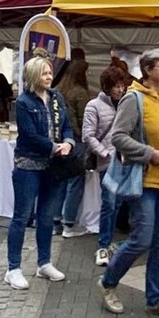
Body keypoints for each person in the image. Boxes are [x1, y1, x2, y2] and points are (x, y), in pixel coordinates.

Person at [96, 48, 159, 318]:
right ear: (147, 71)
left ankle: (154, 298)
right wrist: (150, 154)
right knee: (141, 240)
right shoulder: (133, 99)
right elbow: (118, 137)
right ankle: (108, 282)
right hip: (146, 180)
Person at [5, 56, 73, 290]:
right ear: (33, 75)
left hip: (53, 166)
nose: (49, 76)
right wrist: (54, 147)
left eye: (50, 72)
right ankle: (13, 268)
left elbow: (66, 125)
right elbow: (30, 135)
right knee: (22, 217)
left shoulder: (57, 98)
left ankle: (44, 263)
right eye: (44, 73)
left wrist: (69, 142)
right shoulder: (23, 102)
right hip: (28, 165)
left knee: (47, 216)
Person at [83, 66, 130, 267]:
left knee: (118, 204)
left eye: (122, 86)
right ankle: (103, 246)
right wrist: (105, 153)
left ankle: (110, 242)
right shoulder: (93, 106)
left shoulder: (127, 104)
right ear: (107, 87)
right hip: (107, 163)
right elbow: (88, 135)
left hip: (125, 161)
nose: (120, 90)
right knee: (109, 204)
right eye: (116, 86)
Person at [56, 58, 91, 238]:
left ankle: (55, 221)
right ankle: (69, 223)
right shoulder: (80, 93)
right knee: (75, 181)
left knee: (60, 181)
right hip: (76, 141)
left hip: (59, 141)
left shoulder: (58, 91)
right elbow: (85, 120)